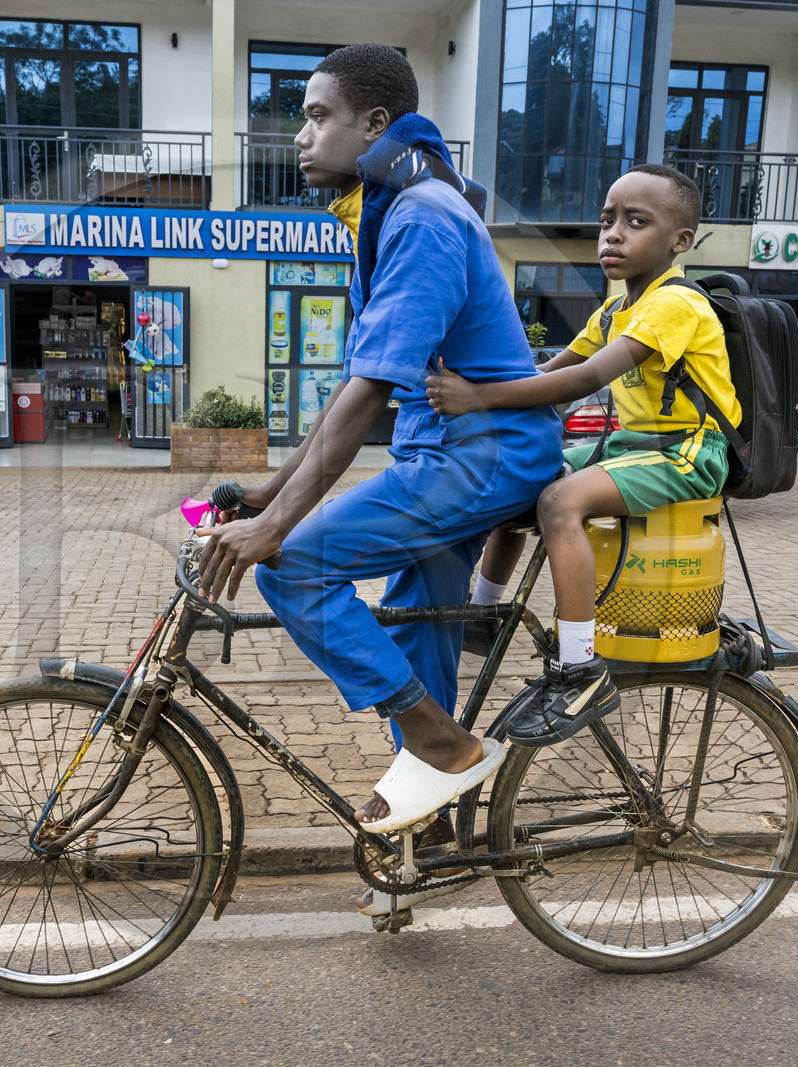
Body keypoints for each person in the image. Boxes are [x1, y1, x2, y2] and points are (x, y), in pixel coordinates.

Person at [194, 45, 563, 903]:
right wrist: (271, 489)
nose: (300, 133)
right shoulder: (398, 208)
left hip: (485, 459)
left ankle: (442, 742)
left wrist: (275, 527)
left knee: (294, 564)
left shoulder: (424, 217)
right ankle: (427, 830)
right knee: (413, 619)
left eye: (318, 115)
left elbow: (369, 392)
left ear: (375, 124)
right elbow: (358, 384)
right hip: (451, 454)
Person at [424, 163, 741, 746]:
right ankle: (484, 618)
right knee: (520, 474)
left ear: (680, 242)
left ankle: (579, 669)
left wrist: (476, 398)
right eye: (607, 220)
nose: (613, 234)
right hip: (636, 446)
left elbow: (585, 378)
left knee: (560, 502)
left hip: (689, 451)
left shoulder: (676, 305)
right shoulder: (616, 309)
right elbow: (547, 371)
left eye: (636, 221)